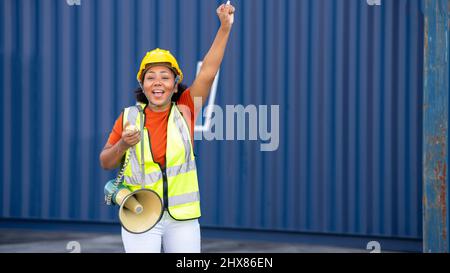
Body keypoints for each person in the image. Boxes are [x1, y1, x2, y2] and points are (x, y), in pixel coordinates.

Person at [99, 2, 235, 253]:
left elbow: (208, 72)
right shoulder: (128, 117)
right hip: (139, 213)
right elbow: (106, 162)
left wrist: (224, 28)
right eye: (151, 77)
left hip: (181, 220)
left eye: (165, 76)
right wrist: (122, 144)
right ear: (143, 84)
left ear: (175, 85)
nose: (158, 82)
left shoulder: (186, 109)